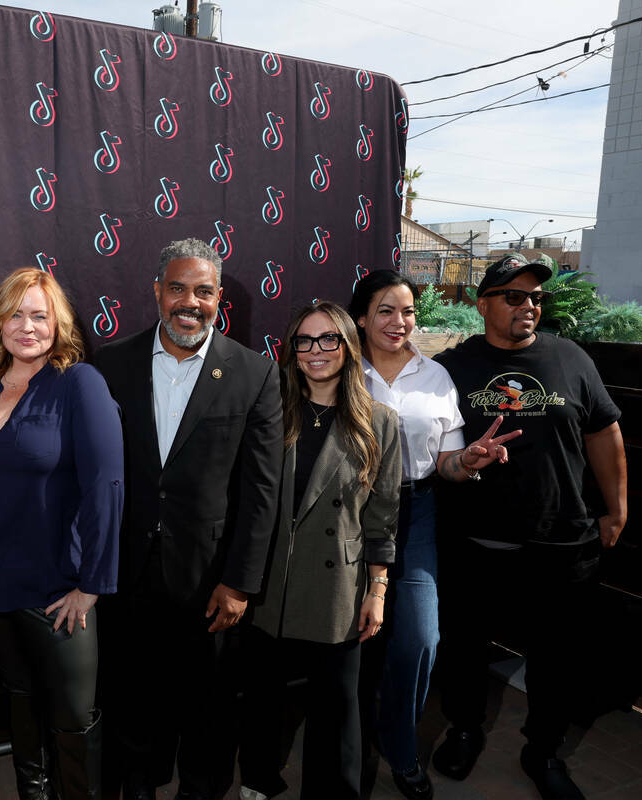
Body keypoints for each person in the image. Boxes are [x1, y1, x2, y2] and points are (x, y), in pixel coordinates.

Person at [92, 238, 283, 800]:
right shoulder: (108, 365)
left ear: (219, 298)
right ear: (157, 291)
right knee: (131, 702)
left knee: (209, 708)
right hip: (127, 575)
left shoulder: (254, 374)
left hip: (211, 580)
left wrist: (241, 581)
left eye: (203, 291)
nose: (189, 302)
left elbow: (261, 491)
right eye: (177, 288)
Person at [430, 255, 627, 800]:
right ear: (483, 304)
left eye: (535, 296)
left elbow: (603, 434)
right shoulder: (452, 367)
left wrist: (617, 508)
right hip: (476, 540)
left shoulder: (572, 359)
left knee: (557, 658)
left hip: (562, 541)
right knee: (464, 648)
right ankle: (465, 729)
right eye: (513, 296)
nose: (529, 305)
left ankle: (543, 750)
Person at [0, 267, 124, 800]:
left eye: (40, 315)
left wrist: (91, 584)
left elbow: (106, 486)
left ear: (58, 324)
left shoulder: (79, 384)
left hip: (57, 588)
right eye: (16, 314)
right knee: (19, 697)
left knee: (73, 717)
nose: (27, 326)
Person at [347, 270, 520, 800]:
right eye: (386, 311)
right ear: (361, 317)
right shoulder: (341, 368)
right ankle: (346, 749)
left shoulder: (436, 378)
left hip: (414, 509)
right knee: (344, 637)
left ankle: (399, 748)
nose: (401, 322)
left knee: (420, 639)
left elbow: (445, 464)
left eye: (408, 312)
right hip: (346, 514)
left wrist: (467, 461)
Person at [238, 301, 401, 800]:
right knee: (262, 697)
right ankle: (258, 781)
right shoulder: (269, 409)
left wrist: (377, 589)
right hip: (269, 582)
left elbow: (382, 516)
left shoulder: (379, 422)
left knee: (336, 706)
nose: (315, 351)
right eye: (304, 341)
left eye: (328, 339)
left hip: (338, 585)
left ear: (349, 347)